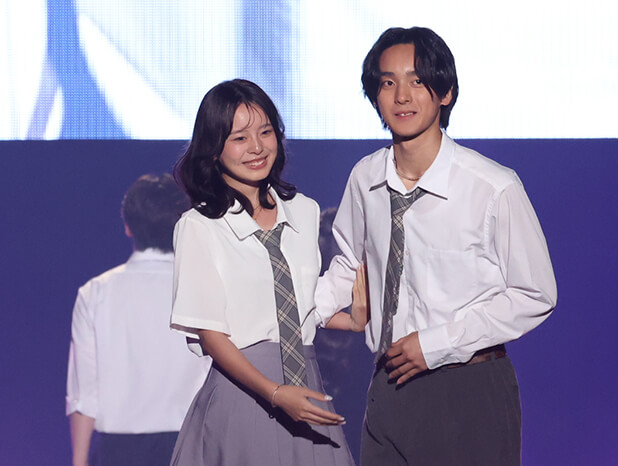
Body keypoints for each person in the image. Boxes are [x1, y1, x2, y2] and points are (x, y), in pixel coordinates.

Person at [314, 27, 557, 465]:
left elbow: (535, 293)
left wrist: (437, 344)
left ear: (445, 92)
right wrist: (297, 316)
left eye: (417, 80)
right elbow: (348, 263)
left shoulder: (492, 187)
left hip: (467, 388)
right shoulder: (365, 178)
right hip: (387, 384)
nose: (402, 96)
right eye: (388, 82)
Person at [168, 79, 364, 465]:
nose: (257, 147)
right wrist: (274, 392)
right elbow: (211, 334)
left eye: (265, 132)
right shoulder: (199, 226)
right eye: (239, 138)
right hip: (244, 391)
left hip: (306, 383)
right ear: (213, 148)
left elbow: (297, 303)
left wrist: (352, 321)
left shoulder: (304, 211)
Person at [66, 173, 210, 466]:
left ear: (128, 226)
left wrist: (79, 462)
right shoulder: (204, 287)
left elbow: (84, 393)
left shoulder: (96, 293)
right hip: (193, 445)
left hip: (121, 451)